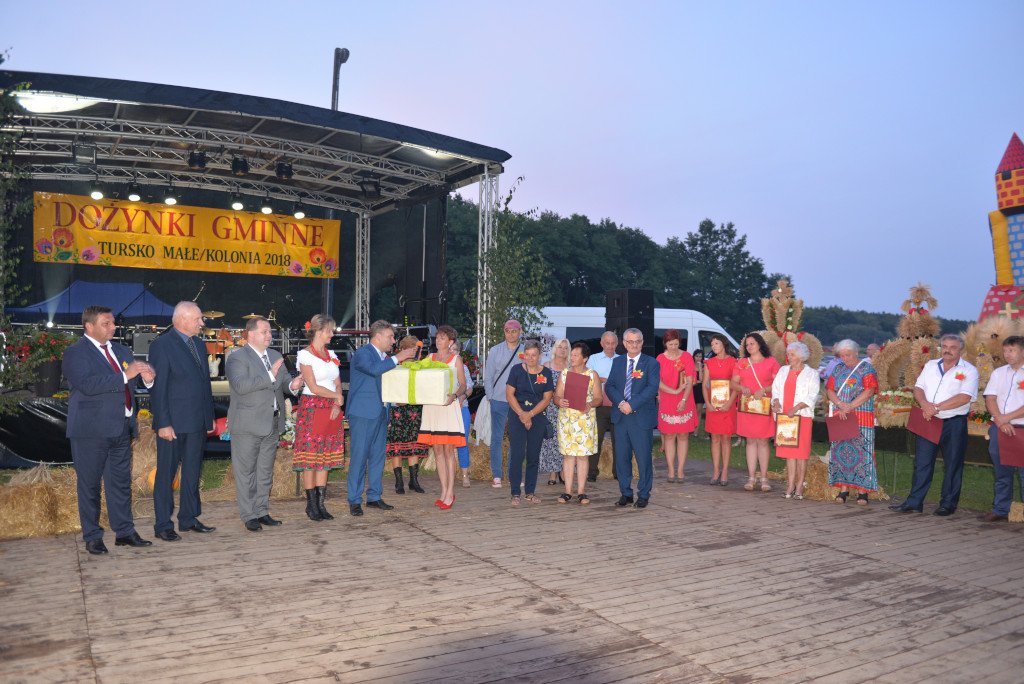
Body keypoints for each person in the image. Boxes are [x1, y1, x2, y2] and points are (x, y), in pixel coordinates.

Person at [63, 305, 155, 555]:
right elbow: (88, 385)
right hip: (91, 431)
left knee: (120, 483)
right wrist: (126, 375)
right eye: (106, 323)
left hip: (121, 427)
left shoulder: (121, 350)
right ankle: (92, 536)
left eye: (113, 323)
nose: (113, 327)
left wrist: (147, 379)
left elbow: (130, 382)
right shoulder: (75, 353)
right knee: (90, 485)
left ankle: (124, 532)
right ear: (89, 326)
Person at [147, 301, 216, 542]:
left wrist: (208, 418)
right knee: (166, 474)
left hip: (197, 422)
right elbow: (159, 388)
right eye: (198, 319)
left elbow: (204, 385)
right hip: (173, 424)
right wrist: (163, 423)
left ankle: (188, 518)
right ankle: (163, 524)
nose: (202, 323)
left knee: (192, 472)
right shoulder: (162, 345)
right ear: (182, 319)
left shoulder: (198, 344)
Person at [226, 316, 302, 531]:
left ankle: (261, 511)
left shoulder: (275, 355)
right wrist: (270, 375)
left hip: (272, 422)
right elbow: (240, 386)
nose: (270, 335)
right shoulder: (237, 357)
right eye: (265, 331)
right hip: (247, 425)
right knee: (246, 472)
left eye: (270, 332)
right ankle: (248, 514)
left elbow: (284, 383)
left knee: (265, 471)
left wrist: (294, 384)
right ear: (250, 334)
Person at [892, 334, 979, 516]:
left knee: (953, 464)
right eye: (944, 346)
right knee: (922, 463)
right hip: (929, 419)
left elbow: (964, 397)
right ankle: (914, 502)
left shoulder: (970, 370)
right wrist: (925, 405)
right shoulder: (931, 365)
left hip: (953, 423)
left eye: (952, 347)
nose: (947, 350)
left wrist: (936, 408)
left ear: (960, 350)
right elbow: (918, 388)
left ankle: (948, 504)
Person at [347, 320, 419, 516]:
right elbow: (373, 370)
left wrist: (397, 400)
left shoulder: (384, 357)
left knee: (378, 457)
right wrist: (399, 357)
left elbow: (386, 383)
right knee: (359, 458)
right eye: (390, 337)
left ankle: (374, 496)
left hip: (381, 412)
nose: (393, 341)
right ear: (378, 337)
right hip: (363, 413)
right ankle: (354, 500)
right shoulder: (363, 354)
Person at [293, 314, 345, 521]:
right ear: (319, 331)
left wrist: (337, 402)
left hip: (331, 408)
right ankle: (311, 504)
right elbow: (313, 386)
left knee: (325, 456)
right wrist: (336, 396)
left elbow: (337, 382)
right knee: (311, 457)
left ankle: (321, 504)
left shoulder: (331, 354)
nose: (332, 334)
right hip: (312, 408)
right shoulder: (305, 355)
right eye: (329, 330)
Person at [605, 328, 660, 508]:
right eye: (630, 341)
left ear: (642, 342)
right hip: (621, 417)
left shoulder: (651, 363)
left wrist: (632, 404)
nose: (634, 345)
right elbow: (610, 386)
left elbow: (652, 388)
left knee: (643, 459)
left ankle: (643, 494)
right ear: (624, 343)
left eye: (637, 341)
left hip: (641, 418)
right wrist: (621, 402)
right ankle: (626, 493)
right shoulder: (618, 362)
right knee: (621, 458)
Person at [418, 324, 467, 509]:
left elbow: (463, 384)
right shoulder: (429, 358)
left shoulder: (456, 360)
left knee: (448, 450)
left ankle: (450, 492)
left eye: (442, 338)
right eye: (437, 338)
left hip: (448, 406)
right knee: (437, 450)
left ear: (450, 341)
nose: (438, 341)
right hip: (432, 407)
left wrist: (454, 395)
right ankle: (443, 489)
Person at [826, 339, 879, 505]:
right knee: (842, 451)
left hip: (861, 417)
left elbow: (869, 391)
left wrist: (850, 406)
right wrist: (840, 403)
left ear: (856, 353)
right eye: (842, 355)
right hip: (841, 415)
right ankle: (843, 489)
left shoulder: (866, 368)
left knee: (862, 452)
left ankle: (863, 492)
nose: (845, 358)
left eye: (848, 355)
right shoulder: (838, 368)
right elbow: (830, 390)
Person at [505, 339, 554, 505]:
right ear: (523, 355)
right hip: (517, 415)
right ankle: (515, 493)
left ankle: (530, 492)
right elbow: (509, 394)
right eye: (527, 354)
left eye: (534, 355)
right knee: (517, 455)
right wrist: (522, 414)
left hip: (537, 416)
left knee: (533, 456)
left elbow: (547, 398)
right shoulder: (516, 370)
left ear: (540, 355)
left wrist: (531, 414)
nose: (530, 358)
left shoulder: (546, 373)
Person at [554, 342, 603, 504]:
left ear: (585, 358)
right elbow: (556, 396)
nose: (572, 357)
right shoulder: (564, 373)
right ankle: (567, 491)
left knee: (582, 456)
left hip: (585, 420)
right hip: (567, 420)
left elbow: (599, 398)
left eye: (576, 355)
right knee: (568, 456)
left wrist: (590, 404)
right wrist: (560, 401)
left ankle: (581, 492)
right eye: (572, 355)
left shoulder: (592, 375)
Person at [982, 335, 1024, 522]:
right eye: (1005, 350)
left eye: (1012, 350)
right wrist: (1001, 422)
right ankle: (1000, 509)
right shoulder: (998, 373)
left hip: (1021, 428)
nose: (1007, 354)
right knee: (1001, 470)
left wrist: (1007, 417)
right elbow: (990, 398)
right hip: (1000, 428)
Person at [733, 332, 780, 492]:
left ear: (760, 344)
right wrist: (742, 388)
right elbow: (733, 383)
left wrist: (765, 389)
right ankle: (751, 477)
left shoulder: (771, 361)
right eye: (747, 345)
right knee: (751, 441)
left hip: (764, 407)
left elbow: (778, 384)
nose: (749, 347)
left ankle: (764, 477)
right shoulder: (742, 362)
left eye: (752, 343)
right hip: (747, 407)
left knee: (763, 441)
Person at [771, 341, 819, 499]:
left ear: (801, 356)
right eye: (788, 354)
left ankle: (799, 486)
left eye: (792, 354)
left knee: (801, 453)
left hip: (802, 417)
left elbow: (812, 395)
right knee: (789, 452)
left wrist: (797, 407)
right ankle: (790, 484)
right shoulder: (783, 370)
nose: (789, 357)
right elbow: (775, 390)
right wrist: (776, 402)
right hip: (785, 418)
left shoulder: (812, 373)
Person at [385, 336, 430, 496]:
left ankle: (413, 480)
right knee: (397, 446)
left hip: (415, 411)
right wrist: (398, 400)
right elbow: (388, 388)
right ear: (404, 350)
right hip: (398, 411)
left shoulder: (421, 367)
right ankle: (399, 481)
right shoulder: (394, 367)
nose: (415, 353)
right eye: (412, 350)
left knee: (414, 445)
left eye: (417, 350)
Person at [484, 320, 524, 488]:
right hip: (498, 399)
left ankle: (514, 475)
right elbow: (488, 376)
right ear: (504, 331)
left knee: (517, 439)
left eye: (514, 331)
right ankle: (497, 475)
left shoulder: (526, 351)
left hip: (519, 402)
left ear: (520, 332)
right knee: (497, 438)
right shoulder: (495, 350)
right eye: (508, 330)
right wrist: (490, 397)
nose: (511, 334)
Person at [656, 329, 697, 483]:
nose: (673, 347)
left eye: (676, 344)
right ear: (665, 344)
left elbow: (690, 380)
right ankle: (671, 470)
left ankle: (680, 470)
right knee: (669, 435)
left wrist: (684, 399)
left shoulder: (686, 356)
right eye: (670, 344)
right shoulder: (660, 359)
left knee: (683, 435)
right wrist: (674, 391)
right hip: (667, 399)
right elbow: (657, 381)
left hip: (685, 398)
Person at [703, 333, 737, 485]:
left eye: (716, 343)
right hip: (713, 405)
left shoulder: (733, 362)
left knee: (726, 438)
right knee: (715, 438)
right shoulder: (709, 363)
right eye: (712, 344)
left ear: (723, 343)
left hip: (728, 405)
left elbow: (736, 385)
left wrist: (729, 403)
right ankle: (716, 470)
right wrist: (707, 403)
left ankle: (725, 471)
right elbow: (705, 385)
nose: (714, 346)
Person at [585, 331, 619, 481]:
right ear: (601, 343)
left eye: (612, 343)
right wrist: (605, 380)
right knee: (595, 439)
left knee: (619, 440)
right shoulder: (593, 359)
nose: (610, 346)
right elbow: (588, 378)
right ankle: (591, 472)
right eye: (607, 343)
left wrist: (603, 379)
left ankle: (618, 472)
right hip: (599, 405)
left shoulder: (622, 359)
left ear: (617, 344)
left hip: (617, 405)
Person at [540, 338, 569, 485]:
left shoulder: (571, 367)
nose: (562, 350)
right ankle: (552, 472)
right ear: (555, 349)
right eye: (560, 347)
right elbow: (540, 387)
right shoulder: (546, 366)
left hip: (566, 408)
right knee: (551, 440)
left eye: (565, 348)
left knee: (564, 440)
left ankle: (563, 471)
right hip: (549, 407)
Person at [452, 335, 475, 488]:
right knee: (447, 444)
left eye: (454, 349)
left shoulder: (463, 368)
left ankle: (465, 475)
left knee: (462, 442)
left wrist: (463, 397)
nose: (452, 352)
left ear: (459, 352)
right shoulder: (440, 366)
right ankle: (450, 474)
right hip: (445, 410)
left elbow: (470, 388)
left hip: (462, 408)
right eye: (450, 349)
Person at [692, 348, 706, 439]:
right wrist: (696, 381)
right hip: (691, 389)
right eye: (697, 356)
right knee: (691, 410)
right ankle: (690, 428)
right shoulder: (690, 365)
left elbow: (701, 379)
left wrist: (700, 368)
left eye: (700, 356)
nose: (698, 358)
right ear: (693, 356)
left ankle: (696, 431)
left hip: (700, 390)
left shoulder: (703, 366)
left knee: (699, 410)